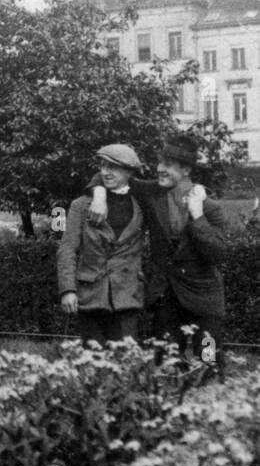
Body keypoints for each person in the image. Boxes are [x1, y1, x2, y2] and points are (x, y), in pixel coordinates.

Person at [86, 134, 227, 374]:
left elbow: (218, 253)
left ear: (185, 169)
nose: (160, 169)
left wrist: (197, 216)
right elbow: (109, 175)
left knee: (209, 362)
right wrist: (99, 196)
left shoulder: (209, 207)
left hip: (204, 301)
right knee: (166, 365)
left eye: (168, 165)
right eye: (160, 163)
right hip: (165, 299)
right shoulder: (151, 193)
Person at [56, 144, 146, 344]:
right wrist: (68, 290)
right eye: (103, 166)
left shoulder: (142, 202)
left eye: (113, 167)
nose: (105, 172)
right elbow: (68, 249)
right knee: (92, 363)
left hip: (127, 296)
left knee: (125, 362)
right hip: (91, 296)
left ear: (129, 171)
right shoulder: (81, 205)